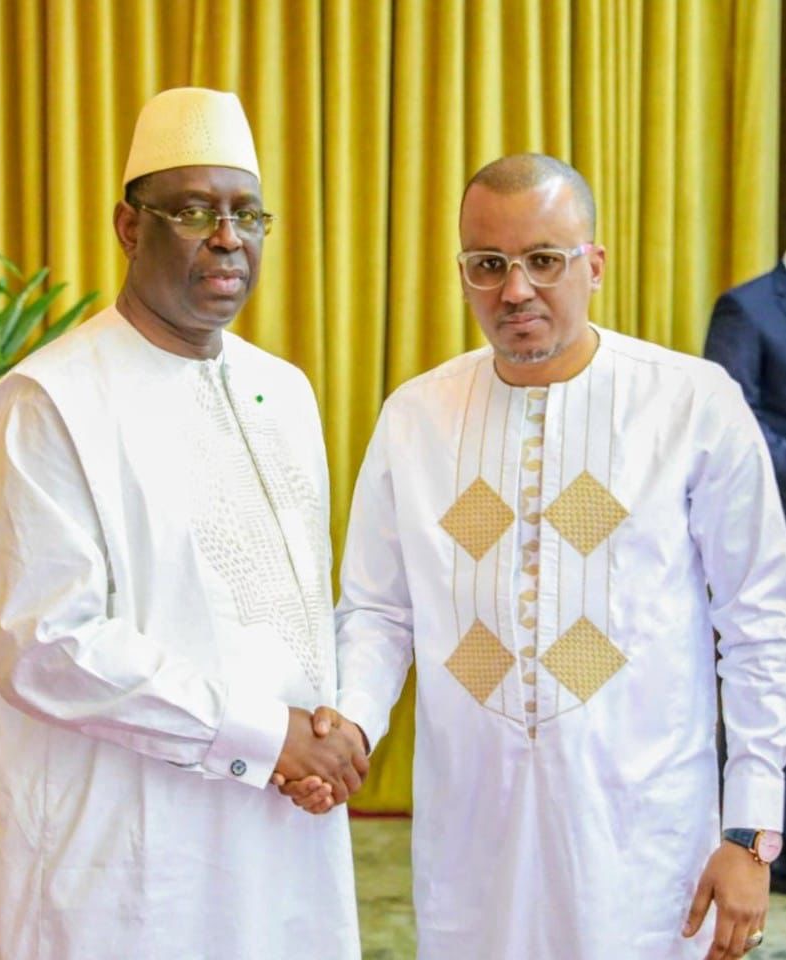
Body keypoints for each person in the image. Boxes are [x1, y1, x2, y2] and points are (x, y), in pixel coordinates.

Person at [282, 154, 786, 959]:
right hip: (472, 832)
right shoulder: (416, 417)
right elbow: (378, 611)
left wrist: (751, 832)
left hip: (645, 837)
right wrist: (353, 731)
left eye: (543, 260)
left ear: (594, 265)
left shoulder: (689, 406)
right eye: (487, 265)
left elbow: (759, 625)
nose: (514, 290)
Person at [0, 87, 367, 960]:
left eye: (247, 213)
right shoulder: (47, 406)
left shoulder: (283, 391)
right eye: (194, 211)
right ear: (129, 227)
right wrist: (267, 737)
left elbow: (294, 612)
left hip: (278, 822)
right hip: (122, 849)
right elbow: (48, 644)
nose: (228, 237)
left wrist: (323, 741)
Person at [705, 256, 786, 890]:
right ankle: (761, 850)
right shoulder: (747, 308)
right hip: (769, 536)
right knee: (763, 675)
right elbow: (740, 430)